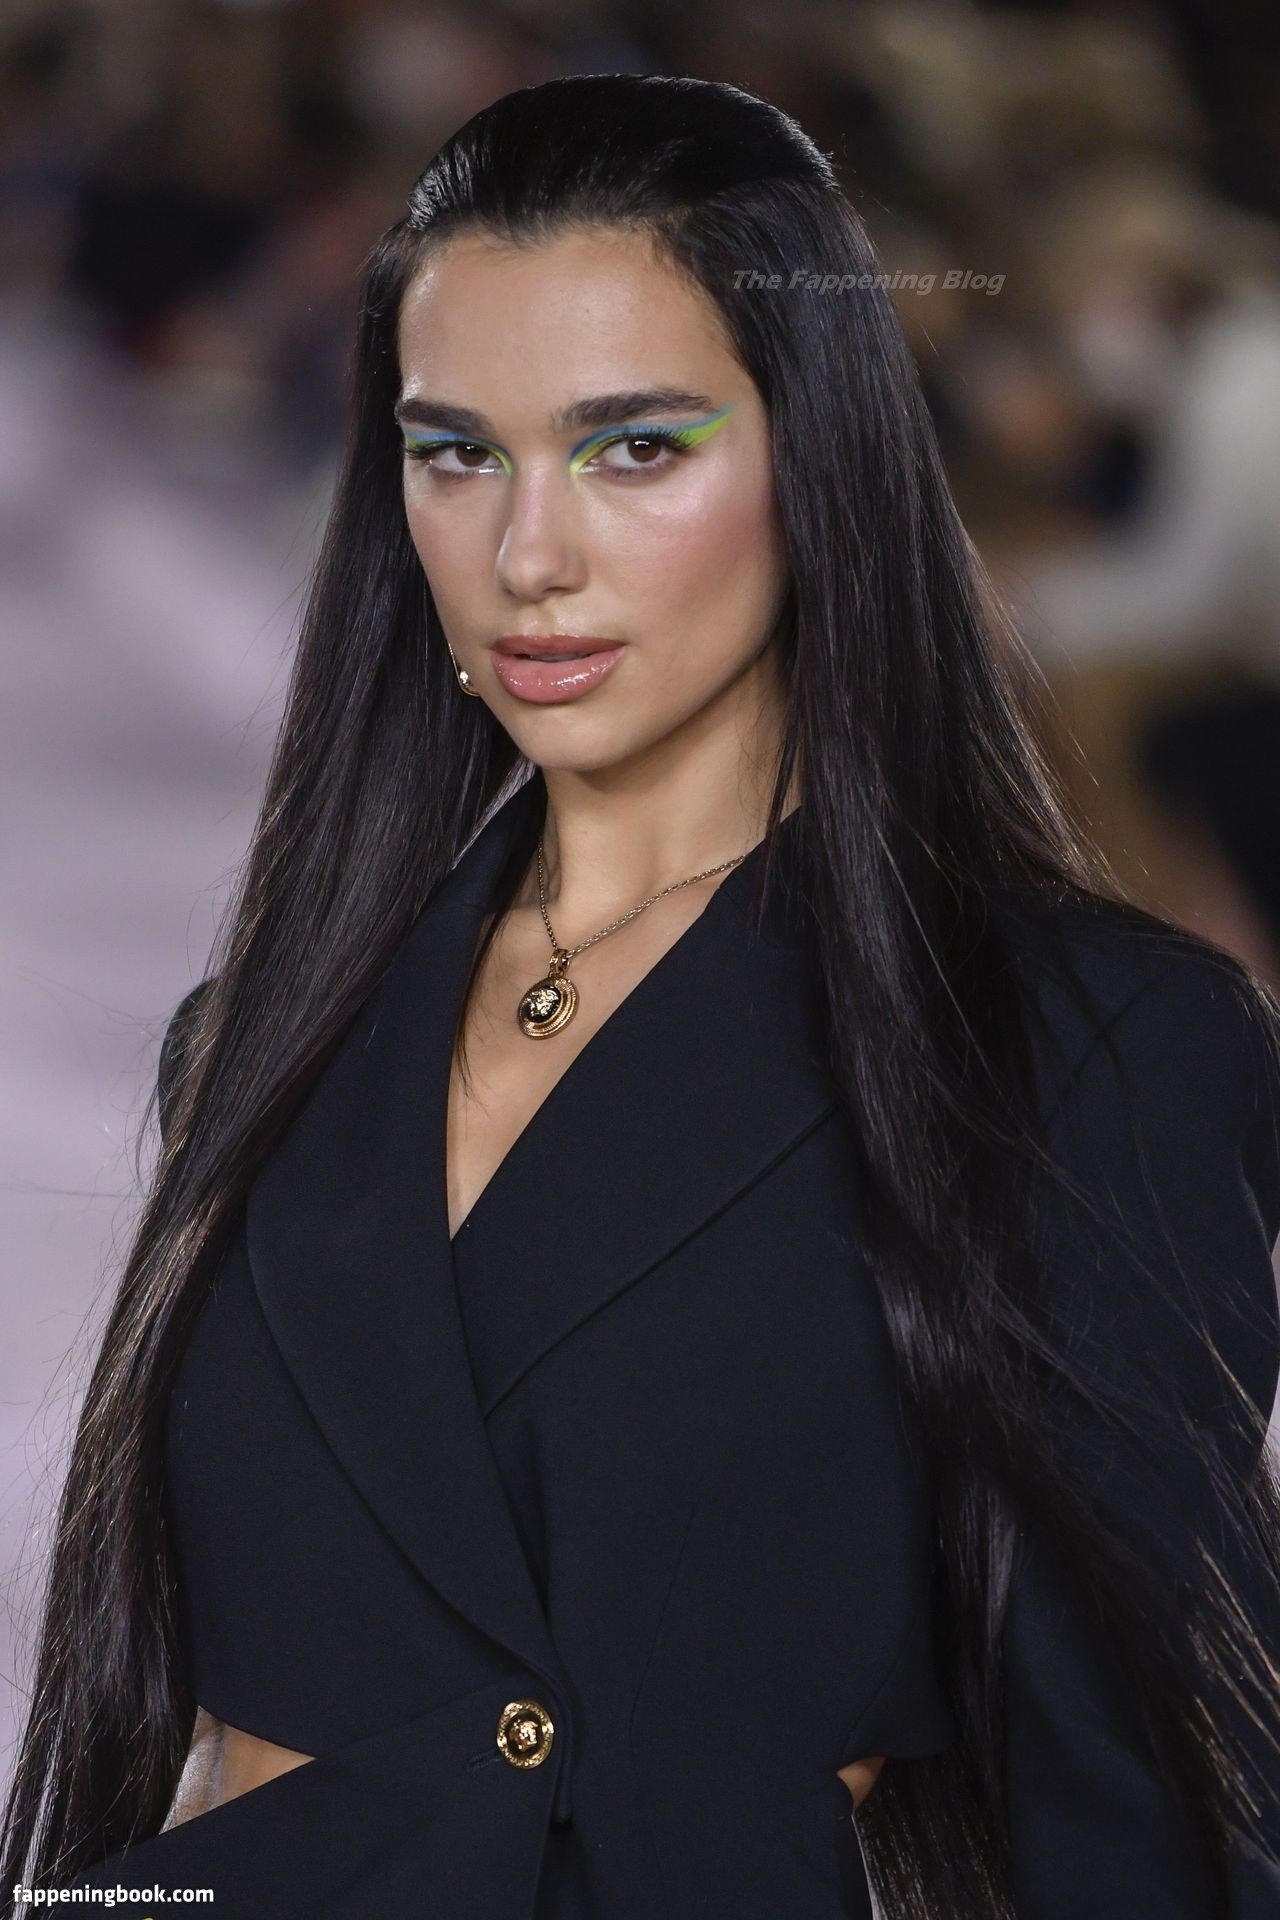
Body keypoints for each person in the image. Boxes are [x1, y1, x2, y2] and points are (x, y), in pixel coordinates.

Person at [4, 73, 1280, 1920]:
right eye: (458, 455)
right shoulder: (266, 1032)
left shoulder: (1085, 1045)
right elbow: (220, 1748)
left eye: (635, 449)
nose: (529, 556)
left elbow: (1145, 1827)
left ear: (818, 460)